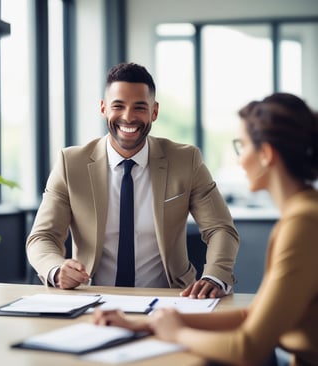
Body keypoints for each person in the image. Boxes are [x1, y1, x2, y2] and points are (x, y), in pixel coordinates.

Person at [93, 92, 318, 365]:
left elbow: (247, 348)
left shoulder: (303, 224)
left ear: (266, 155)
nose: (239, 160)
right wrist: (148, 324)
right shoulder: (303, 213)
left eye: (242, 146)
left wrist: (177, 334)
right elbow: (251, 315)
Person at [26, 62, 239, 298]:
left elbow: (220, 228)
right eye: (118, 106)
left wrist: (215, 275)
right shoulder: (70, 163)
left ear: (154, 111)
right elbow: (42, 237)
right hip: (90, 297)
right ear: (103, 108)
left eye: (139, 107)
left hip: (171, 298)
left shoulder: (185, 160)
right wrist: (56, 270)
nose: (128, 117)